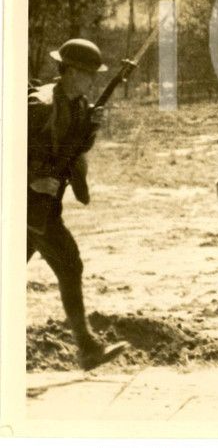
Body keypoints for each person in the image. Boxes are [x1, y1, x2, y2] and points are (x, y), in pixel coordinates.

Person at [27, 39, 128, 370]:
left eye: (93, 74)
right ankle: (86, 347)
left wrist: (91, 130)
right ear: (67, 71)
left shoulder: (79, 105)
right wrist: (30, 180)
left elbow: (72, 150)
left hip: (43, 207)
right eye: (85, 73)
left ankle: (85, 347)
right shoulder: (39, 105)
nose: (90, 80)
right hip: (23, 202)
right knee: (70, 265)